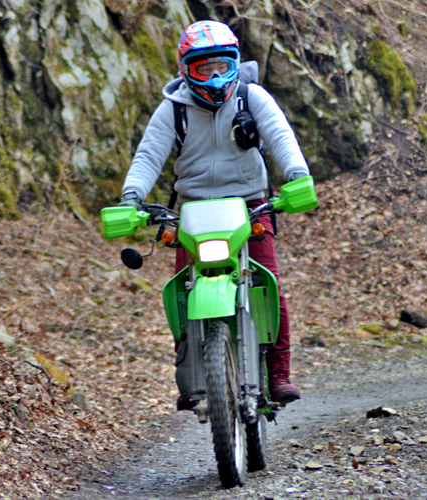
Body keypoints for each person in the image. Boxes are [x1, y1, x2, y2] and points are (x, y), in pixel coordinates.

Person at [117, 20, 309, 406]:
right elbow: (147, 156)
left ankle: (279, 371)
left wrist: (297, 176)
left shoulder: (251, 97)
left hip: (251, 204)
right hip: (194, 212)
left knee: (267, 281)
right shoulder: (173, 110)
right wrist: (130, 199)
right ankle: (191, 372)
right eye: (205, 68)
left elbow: (280, 136)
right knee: (183, 292)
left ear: (235, 62)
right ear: (186, 68)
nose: (216, 75)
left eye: (223, 65)